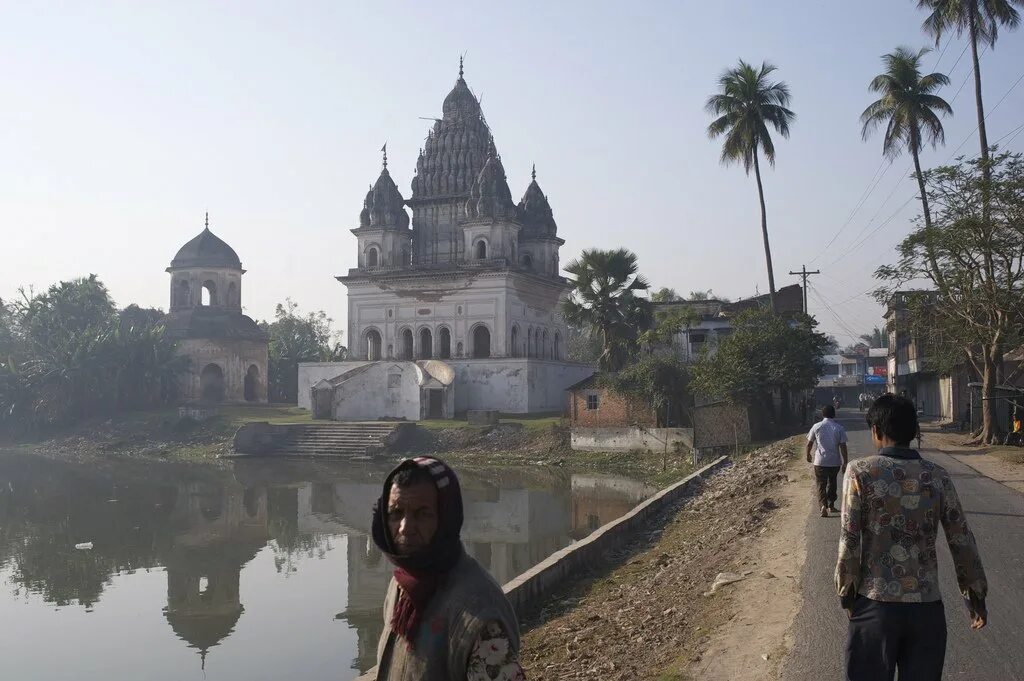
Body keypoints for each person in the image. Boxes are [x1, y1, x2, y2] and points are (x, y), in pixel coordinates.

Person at [836, 393, 987, 681]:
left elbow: (849, 538)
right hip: (927, 610)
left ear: (876, 432)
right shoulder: (938, 476)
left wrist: (846, 592)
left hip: (875, 605)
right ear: (914, 432)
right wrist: (975, 593)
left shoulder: (861, 472)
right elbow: (962, 539)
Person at [369, 456, 525, 681]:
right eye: (396, 513)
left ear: (446, 519)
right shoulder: (402, 585)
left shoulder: (479, 611)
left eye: (422, 514)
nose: (405, 528)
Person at [806, 404, 849, 518]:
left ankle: (822, 506)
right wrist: (845, 462)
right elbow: (843, 446)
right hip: (834, 462)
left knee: (821, 484)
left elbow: (809, 443)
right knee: (832, 482)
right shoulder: (839, 428)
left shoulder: (816, 426)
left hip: (820, 462)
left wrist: (808, 455)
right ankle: (831, 505)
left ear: (822, 414)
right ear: (834, 415)